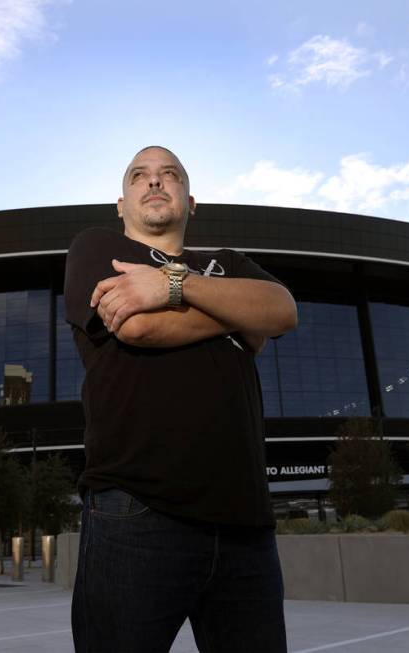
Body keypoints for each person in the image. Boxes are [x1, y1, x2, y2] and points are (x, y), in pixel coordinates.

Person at [65, 146, 298, 652]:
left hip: (245, 528)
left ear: (190, 201)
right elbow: (141, 327)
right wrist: (237, 313)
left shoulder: (227, 261)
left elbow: (281, 310)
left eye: (169, 175)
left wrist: (172, 283)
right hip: (136, 515)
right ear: (120, 204)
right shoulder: (97, 247)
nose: (154, 182)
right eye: (139, 176)